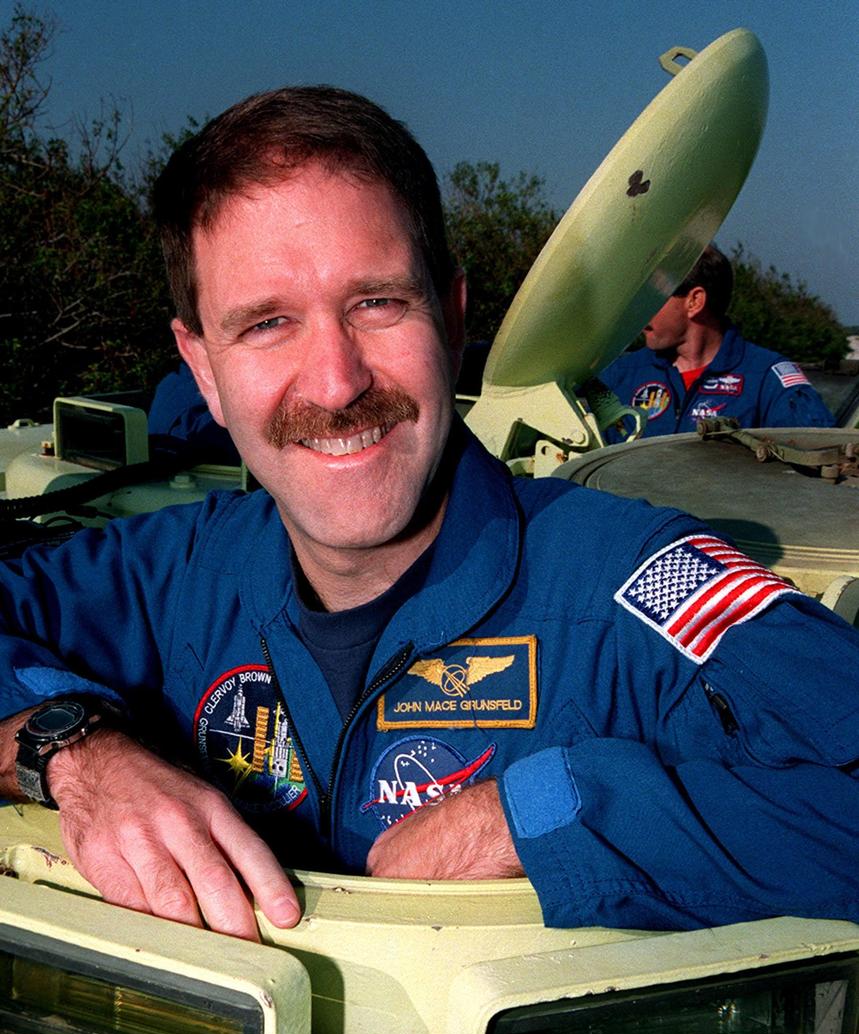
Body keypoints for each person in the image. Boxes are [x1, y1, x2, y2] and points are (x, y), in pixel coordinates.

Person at [0, 88, 856, 943]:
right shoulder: (168, 572)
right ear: (203, 369)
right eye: (266, 324)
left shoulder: (635, 587)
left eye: (377, 303)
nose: (335, 383)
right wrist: (75, 755)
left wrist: (550, 812)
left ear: (450, 320)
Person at [599, 244, 834, 441]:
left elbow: (819, 459)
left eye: (651, 297)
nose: (638, 311)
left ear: (695, 302)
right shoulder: (619, 374)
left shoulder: (767, 379)